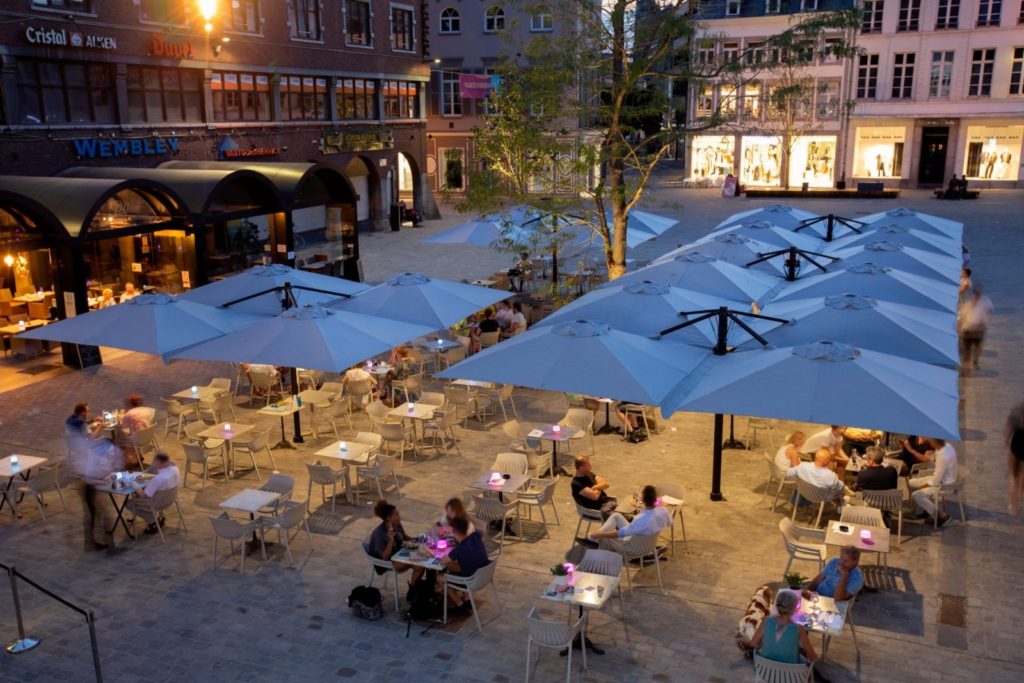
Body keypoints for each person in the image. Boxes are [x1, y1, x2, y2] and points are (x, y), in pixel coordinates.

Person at [67, 427, 123, 552]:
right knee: (98, 514)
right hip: (91, 485)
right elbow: (88, 477)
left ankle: (97, 542)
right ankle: (101, 543)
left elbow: (115, 467)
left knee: (98, 514)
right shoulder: (99, 454)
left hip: (97, 483)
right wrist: (103, 480)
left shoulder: (104, 451)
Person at [744, 590, 818, 665]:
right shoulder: (798, 629)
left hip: (765, 670)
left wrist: (767, 644)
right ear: (794, 609)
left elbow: (753, 643)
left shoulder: (767, 620)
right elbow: (813, 657)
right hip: (791, 674)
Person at [587, 485, 670, 550]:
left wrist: (599, 534)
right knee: (616, 515)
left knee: (604, 537)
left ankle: (596, 547)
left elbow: (618, 534)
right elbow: (669, 523)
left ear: (643, 500)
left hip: (633, 547)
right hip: (649, 543)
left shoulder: (639, 520)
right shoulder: (663, 511)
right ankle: (593, 539)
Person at [441, 516, 490, 611]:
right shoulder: (476, 536)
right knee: (454, 566)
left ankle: (459, 604)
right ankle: (467, 599)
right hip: (483, 575)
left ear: (454, 532)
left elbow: (443, 560)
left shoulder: (459, 549)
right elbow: (482, 527)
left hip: (471, 581)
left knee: (440, 578)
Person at [368, 499, 422, 582]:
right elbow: (384, 557)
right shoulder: (380, 533)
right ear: (388, 518)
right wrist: (390, 540)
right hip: (387, 562)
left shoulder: (396, 524)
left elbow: (405, 538)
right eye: (396, 515)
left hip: (399, 554)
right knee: (420, 561)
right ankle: (413, 592)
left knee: (421, 565)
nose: (399, 517)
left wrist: (420, 539)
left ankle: (414, 589)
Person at [127, 452, 180, 534]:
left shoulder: (158, 480)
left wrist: (132, 483)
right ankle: (155, 518)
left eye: (154, 461)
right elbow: (162, 478)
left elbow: (144, 495)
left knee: (129, 503)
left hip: (158, 503)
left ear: (159, 463)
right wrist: (146, 477)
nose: (152, 463)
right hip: (171, 498)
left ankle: (152, 521)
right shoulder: (175, 469)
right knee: (137, 497)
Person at [909, 437, 958, 526]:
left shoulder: (942, 456)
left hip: (944, 485)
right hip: (943, 479)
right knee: (911, 482)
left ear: (934, 441)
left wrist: (925, 485)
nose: (928, 441)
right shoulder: (948, 446)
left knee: (916, 495)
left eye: (930, 440)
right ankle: (928, 508)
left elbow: (935, 481)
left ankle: (941, 516)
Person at [959, 285, 993, 373]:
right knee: (968, 350)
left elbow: (989, 310)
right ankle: (967, 367)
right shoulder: (970, 303)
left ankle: (974, 361)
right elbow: (963, 316)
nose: (977, 295)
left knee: (976, 348)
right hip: (969, 330)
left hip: (977, 330)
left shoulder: (983, 302)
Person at [116, 393, 155, 468]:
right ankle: (137, 456)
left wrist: (120, 416)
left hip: (137, 439)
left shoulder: (129, 414)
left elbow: (124, 426)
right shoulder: (147, 410)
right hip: (148, 436)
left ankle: (129, 460)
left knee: (118, 437)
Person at [1007, 402, 1024, 514]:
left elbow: (1009, 429)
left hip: (1017, 441)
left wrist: (1006, 440)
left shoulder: (1018, 411)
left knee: (1013, 475)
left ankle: (1013, 506)